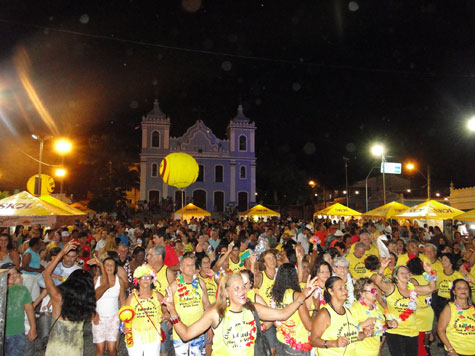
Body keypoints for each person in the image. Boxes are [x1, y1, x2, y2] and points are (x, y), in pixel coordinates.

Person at [162, 273, 318, 356]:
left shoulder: (252, 309)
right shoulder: (216, 313)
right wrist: (172, 310)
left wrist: (303, 295)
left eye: (243, 287)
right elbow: (186, 334)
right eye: (236, 288)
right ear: (226, 292)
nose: (242, 291)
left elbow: (283, 314)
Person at [373, 257, 437, 356]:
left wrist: (430, 272)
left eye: (407, 272)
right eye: (401, 273)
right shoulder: (391, 288)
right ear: (396, 277)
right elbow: (378, 282)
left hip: (412, 330)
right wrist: (382, 267)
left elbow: (431, 288)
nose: (405, 274)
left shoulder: (414, 289)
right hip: (395, 329)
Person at [43, 241, 96, 356]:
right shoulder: (86, 301)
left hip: (55, 348)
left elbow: (46, 274)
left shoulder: (58, 298)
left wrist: (62, 253)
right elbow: (105, 284)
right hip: (75, 348)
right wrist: (100, 265)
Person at [310, 276, 372, 355]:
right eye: (340, 288)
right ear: (331, 291)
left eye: (345, 287)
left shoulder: (347, 311)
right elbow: (313, 341)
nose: (345, 290)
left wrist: (364, 334)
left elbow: (351, 337)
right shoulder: (325, 314)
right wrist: (334, 343)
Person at [168, 253, 209, 356]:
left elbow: (207, 306)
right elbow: (168, 308)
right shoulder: (174, 286)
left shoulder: (200, 283)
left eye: (193, 265)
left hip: (198, 330)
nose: (191, 267)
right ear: (181, 268)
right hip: (180, 332)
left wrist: (209, 328)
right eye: (188, 265)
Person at [271, 263, 313, 355]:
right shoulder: (297, 296)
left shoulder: (275, 296)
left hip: (281, 340)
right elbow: (309, 325)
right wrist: (316, 311)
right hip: (297, 345)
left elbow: (274, 321)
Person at [124, 264, 165, 356]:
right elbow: (125, 317)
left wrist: (164, 317)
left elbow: (167, 312)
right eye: (143, 277)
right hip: (135, 335)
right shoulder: (131, 297)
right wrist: (124, 327)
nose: (146, 279)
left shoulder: (158, 296)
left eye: (148, 277)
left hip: (153, 335)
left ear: (152, 280)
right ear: (137, 280)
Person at [351, 278, 397, 356]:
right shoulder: (355, 308)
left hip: (374, 350)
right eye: (372, 291)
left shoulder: (376, 308)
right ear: (362, 293)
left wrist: (389, 324)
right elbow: (349, 331)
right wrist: (364, 324)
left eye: (375, 290)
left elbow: (380, 328)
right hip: (359, 351)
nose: (376, 292)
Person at [92, 256, 126, 356]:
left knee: (112, 349)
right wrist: (93, 314)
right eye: (107, 265)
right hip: (98, 318)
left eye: (112, 265)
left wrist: (123, 318)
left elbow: (123, 300)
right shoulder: (96, 280)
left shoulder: (119, 281)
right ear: (103, 266)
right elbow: (91, 300)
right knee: (100, 349)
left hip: (114, 318)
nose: (109, 267)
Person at [2, 263, 37, 356]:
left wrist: (33, 328)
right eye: (9, 274)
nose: (13, 276)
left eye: (15, 273)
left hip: (17, 332)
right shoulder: (1, 290)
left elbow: (29, 309)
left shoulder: (22, 289)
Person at [437, 279, 475, 356]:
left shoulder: (473, 308)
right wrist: (450, 350)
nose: (463, 290)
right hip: (456, 351)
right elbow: (440, 330)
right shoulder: (449, 308)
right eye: (459, 288)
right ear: (454, 292)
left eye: (465, 288)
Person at [408, 257, 435, 356]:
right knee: (423, 339)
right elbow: (434, 288)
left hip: (418, 313)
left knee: (417, 343)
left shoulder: (412, 280)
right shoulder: (426, 277)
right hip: (428, 310)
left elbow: (410, 292)